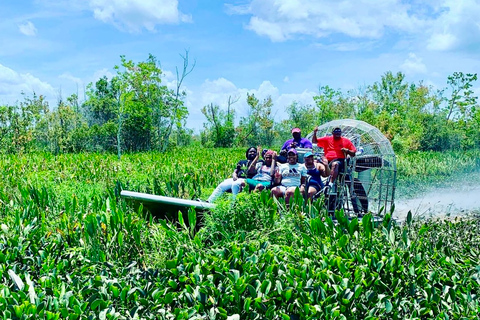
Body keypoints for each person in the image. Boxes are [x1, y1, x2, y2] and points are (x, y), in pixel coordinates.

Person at [312, 126, 356, 192]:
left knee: (335, 164)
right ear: (332, 133)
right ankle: (314, 183)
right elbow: (314, 141)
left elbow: (353, 153)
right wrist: (315, 133)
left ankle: (330, 184)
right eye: (336, 132)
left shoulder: (346, 141)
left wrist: (347, 151)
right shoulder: (327, 139)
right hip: (327, 161)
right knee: (315, 162)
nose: (337, 133)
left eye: (339, 132)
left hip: (340, 161)